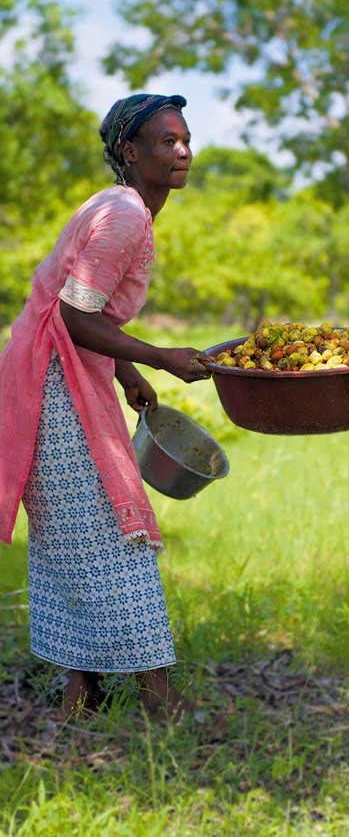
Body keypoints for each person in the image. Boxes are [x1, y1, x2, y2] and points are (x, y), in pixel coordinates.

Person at [0, 92, 212, 720]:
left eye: (184, 138)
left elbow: (86, 308)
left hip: (57, 375)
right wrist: (158, 356)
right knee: (113, 536)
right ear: (129, 151)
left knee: (72, 538)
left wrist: (123, 371)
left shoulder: (122, 207)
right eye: (165, 141)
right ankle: (155, 696)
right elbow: (69, 314)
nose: (182, 151)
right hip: (54, 385)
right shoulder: (126, 215)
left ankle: (82, 692)